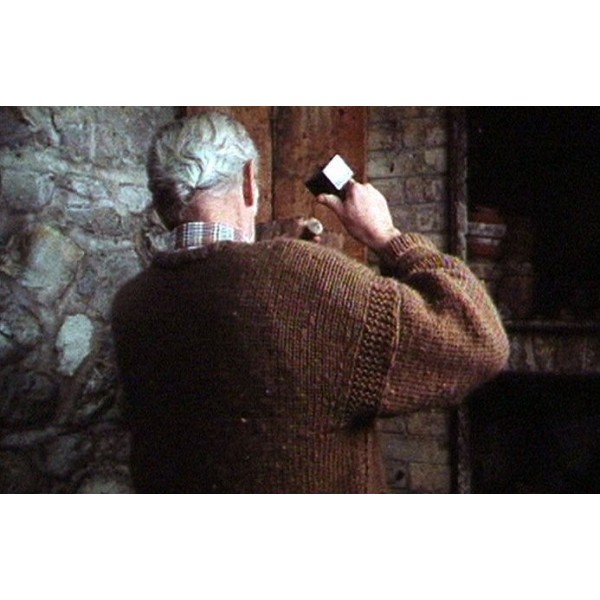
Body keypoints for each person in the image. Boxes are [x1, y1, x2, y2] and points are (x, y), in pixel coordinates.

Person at [111, 111, 509, 493]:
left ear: (162, 201)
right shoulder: (305, 278)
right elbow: (479, 340)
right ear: (249, 180)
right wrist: (388, 236)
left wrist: (279, 263)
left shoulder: (130, 306)